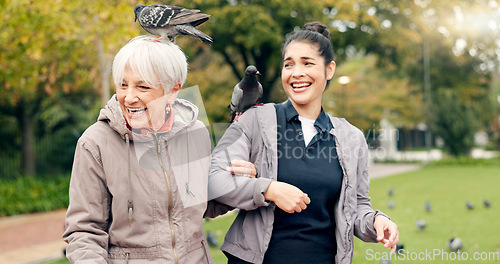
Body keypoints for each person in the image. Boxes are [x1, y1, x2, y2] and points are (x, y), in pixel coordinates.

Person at [208, 22, 399, 264]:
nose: (296, 72)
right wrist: (269, 189)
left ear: (329, 70)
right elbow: (213, 179)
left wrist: (376, 221)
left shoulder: (352, 137)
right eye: (289, 64)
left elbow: (357, 205)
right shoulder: (253, 119)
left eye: (307, 63)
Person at [62, 35, 254, 264]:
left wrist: (236, 181)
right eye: (123, 84)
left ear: (173, 91)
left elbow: (202, 204)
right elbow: (84, 232)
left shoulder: (196, 132)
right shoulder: (94, 143)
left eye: (142, 86)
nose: (129, 97)